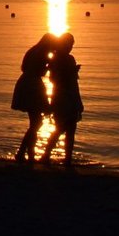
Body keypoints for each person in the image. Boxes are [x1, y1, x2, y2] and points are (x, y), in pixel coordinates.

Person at [11, 32, 57, 162]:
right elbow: (42, 71)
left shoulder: (33, 51)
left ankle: (29, 153)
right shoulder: (42, 53)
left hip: (25, 82)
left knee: (34, 122)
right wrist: (50, 63)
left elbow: (24, 67)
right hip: (33, 85)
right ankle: (22, 152)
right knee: (36, 123)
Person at [41, 33, 84, 166]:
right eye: (69, 44)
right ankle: (48, 155)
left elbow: (71, 82)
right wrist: (71, 72)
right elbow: (57, 80)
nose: (71, 47)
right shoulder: (59, 59)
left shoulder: (64, 59)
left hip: (67, 97)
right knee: (63, 128)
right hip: (63, 97)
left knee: (69, 129)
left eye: (72, 45)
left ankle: (66, 159)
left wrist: (78, 102)